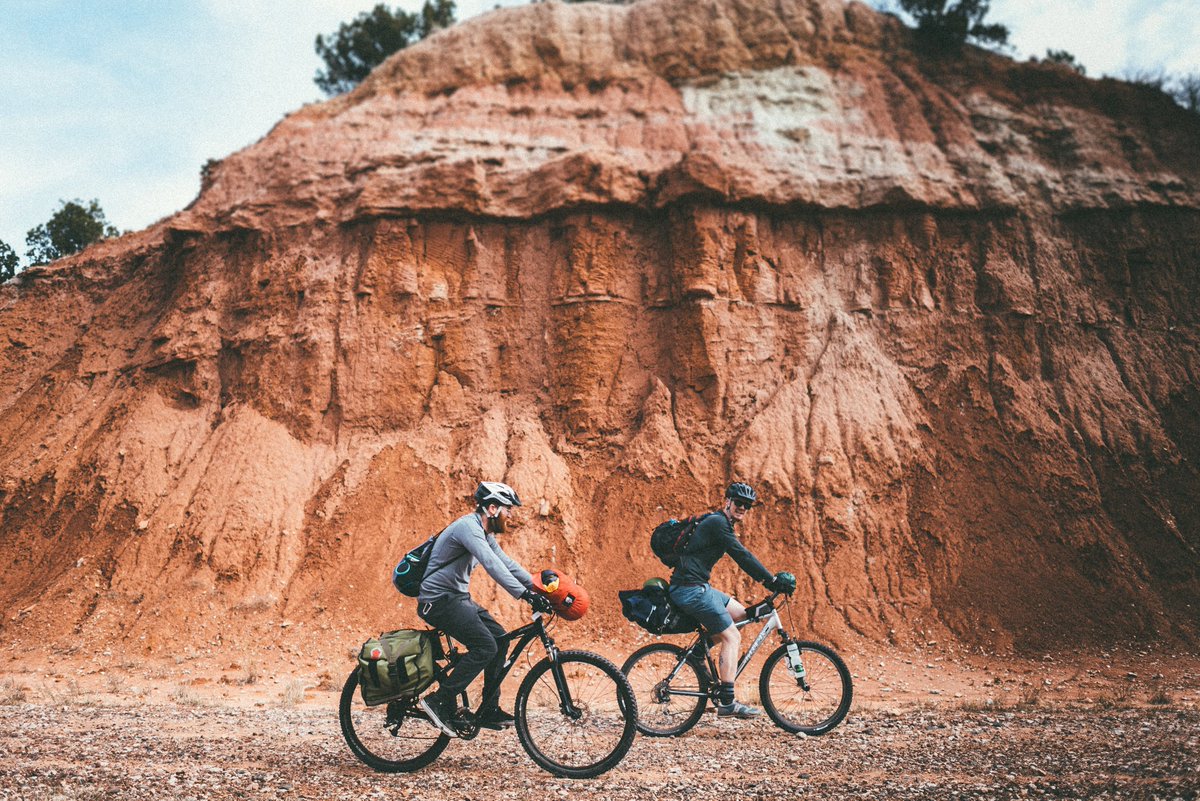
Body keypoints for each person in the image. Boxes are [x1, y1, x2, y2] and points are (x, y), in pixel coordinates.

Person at [417, 481, 553, 736]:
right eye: (507, 509)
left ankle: (489, 708)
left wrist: (537, 588)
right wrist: (523, 594)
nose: (510, 515)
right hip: (438, 600)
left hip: (456, 598)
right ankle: (438, 700)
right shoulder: (468, 528)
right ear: (492, 508)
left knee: (500, 639)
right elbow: (492, 565)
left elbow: (507, 564)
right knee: (485, 646)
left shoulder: (484, 533)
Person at [668, 482, 795, 719]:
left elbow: (741, 555)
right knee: (732, 636)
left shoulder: (721, 523)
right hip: (689, 589)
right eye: (739, 503)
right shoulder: (718, 523)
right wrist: (771, 581)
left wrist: (769, 582)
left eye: (747, 506)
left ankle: (697, 652)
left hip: (697, 586)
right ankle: (726, 702)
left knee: (740, 615)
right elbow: (742, 555)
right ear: (727, 501)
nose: (742, 508)